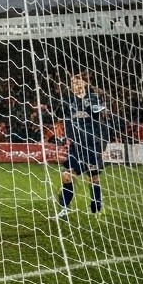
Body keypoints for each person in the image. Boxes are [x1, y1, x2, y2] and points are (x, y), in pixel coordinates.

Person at [55, 73, 118, 218]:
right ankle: (65, 207)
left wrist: (95, 108)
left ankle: (97, 201)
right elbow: (62, 117)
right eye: (72, 84)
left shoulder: (93, 98)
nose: (75, 86)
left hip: (91, 145)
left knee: (93, 178)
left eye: (78, 83)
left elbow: (98, 114)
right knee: (66, 175)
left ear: (84, 84)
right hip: (76, 146)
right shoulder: (69, 102)